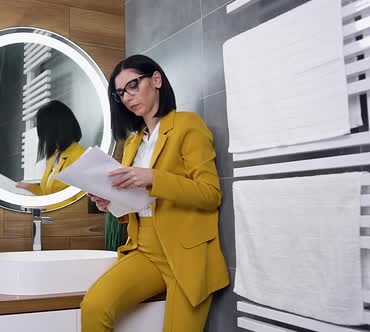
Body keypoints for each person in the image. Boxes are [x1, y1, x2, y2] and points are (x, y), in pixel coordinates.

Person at [82, 55, 229, 331]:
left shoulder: (188, 125)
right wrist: (111, 203)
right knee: (94, 306)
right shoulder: (132, 144)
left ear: (156, 80)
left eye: (134, 85)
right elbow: (137, 205)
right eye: (121, 93)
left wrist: (152, 178)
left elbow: (211, 195)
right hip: (144, 250)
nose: (127, 97)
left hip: (187, 255)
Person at [16, 100, 85, 209]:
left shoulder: (80, 158)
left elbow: (79, 203)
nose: (43, 138)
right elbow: (49, 194)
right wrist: (30, 187)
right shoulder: (55, 156)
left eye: (44, 131)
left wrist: (45, 206)